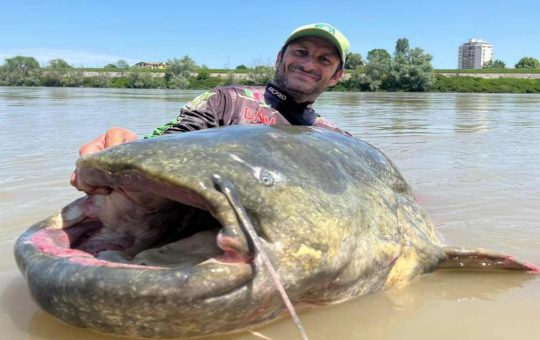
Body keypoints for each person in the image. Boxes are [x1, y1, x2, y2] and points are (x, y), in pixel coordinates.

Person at [72, 23, 351, 194]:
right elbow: (171, 141)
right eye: (300, 52)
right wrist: (128, 147)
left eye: (324, 60)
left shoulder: (338, 140)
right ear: (280, 58)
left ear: (337, 75)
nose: (309, 64)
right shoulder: (226, 100)